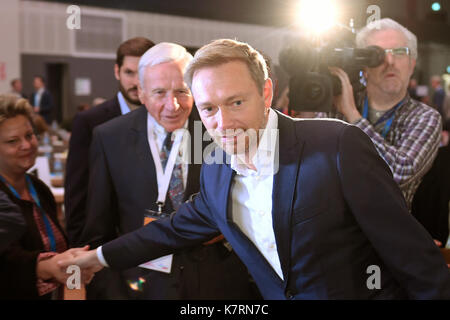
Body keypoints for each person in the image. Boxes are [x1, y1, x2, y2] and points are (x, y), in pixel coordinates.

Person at [59, 39, 450, 299]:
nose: (223, 122)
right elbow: (171, 230)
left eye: (236, 103)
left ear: (265, 92)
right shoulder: (215, 170)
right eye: (209, 108)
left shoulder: (336, 146)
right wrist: (94, 259)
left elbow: (415, 259)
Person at [78, 42, 260, 300]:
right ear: (140, 93)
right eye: (159, 93)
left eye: (181, 91)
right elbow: (98, 231)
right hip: (140, 288)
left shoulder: (220, 130)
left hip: (219, 285)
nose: (172, 105)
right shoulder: (110, 138)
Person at [318, 18, 442, 211]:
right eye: (376, 54)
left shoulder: (425, 117)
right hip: (333, 227)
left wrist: (353, 116)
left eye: (400, 52)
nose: (390, 62)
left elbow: (401, 174)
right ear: (364, 68)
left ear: (412, 64)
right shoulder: (334, 104)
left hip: (386, 234)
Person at [0, 94, 92, 299]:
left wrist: (76, 282)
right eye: (13, 141)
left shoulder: (38, 188)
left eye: (29, 135)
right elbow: (6, 261)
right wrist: (44, 267)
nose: (27, 145)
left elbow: (61, 254)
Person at [64, 37, 155, 246]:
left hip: (155, 242)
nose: (136, 83)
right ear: (117, 72)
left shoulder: (166, 118)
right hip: (108, 243)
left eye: (142, 73)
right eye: (129, 72)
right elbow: (77, 195)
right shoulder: (89, 122)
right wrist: (81, 251)